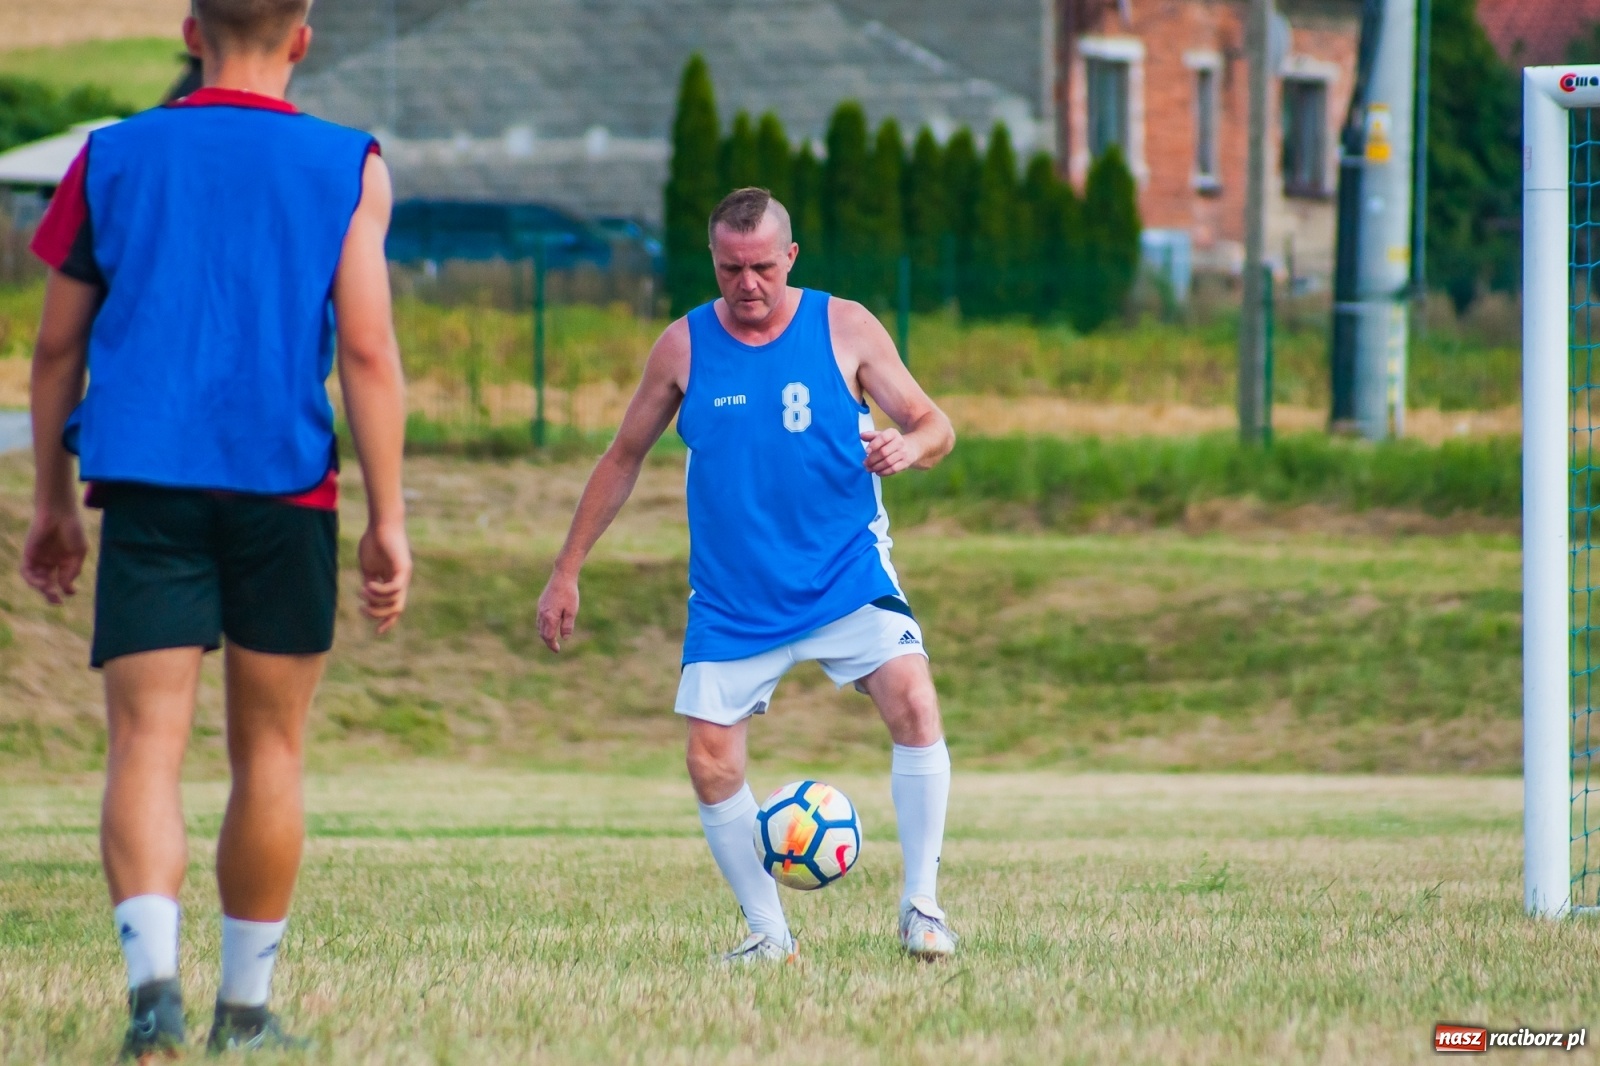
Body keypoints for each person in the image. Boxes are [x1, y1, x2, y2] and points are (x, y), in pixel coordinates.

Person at [21, 0, 411, 1057]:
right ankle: (246, 1014)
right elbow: (369, 355)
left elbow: (57, 350)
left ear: (191, 32)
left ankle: (153, 996)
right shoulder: (347, 163)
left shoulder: (110, 156)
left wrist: (52, 500)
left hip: (146, 480)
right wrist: (389, 519)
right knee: (269, 750)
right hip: (286, 489)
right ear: (301, 38)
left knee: (144, 744)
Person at [537, 187, 958, 962]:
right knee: (708, 760)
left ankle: (922, 910)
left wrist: (912, 447)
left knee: (914, 698)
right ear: (713, 262)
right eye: (732, 268)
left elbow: (935, 424)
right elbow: (622, 457)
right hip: (733, 601)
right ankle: (769, 937)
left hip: (843, 574)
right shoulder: (684, 346)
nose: (748, 284)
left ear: (790, 257)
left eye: (763, 265)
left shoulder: (845, 325)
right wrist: (567, 569)